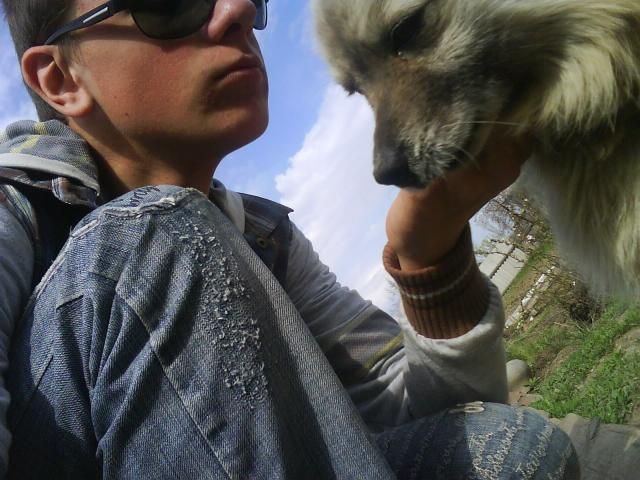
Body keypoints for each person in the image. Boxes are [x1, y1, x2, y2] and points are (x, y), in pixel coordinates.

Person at [0, 0, 579, 478]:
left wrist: (430, 253)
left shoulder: (264, 238)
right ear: (61, 80)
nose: (237, 11)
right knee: (158, 231)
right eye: (171, 6)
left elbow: (426, 412)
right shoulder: (14, 213)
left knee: (510, 450)